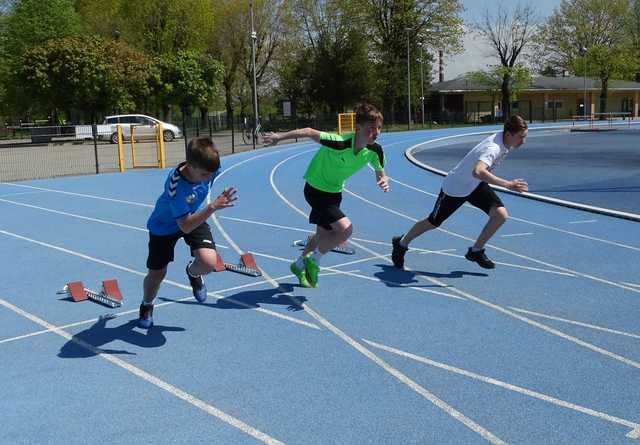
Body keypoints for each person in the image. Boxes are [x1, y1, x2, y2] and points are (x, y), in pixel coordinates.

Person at [263, 102, 389, 288]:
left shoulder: (375, 150)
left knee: (322, 235)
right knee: (346, 230)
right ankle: (314, 260)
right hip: (315, 189)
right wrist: (279, 137)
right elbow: (308, 131)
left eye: (379, 128)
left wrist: (383, 179)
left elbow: (380, 170)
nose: (376, 132)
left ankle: (299, 265)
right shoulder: (339, 142)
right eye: (371, 128)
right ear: (358, 127)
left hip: (334, 192)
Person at [391, 115, 529, 270]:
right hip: (455, 188)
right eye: (520, 137)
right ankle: (401, 243)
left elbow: (478, 175)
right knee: (432, 222)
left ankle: (476, 251)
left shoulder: (505, 140)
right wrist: (507, 184)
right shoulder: (493, 148)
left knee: (500, 215)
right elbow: (478, 171)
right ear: (509, 134)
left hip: (475, 186)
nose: (523, 142)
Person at [138, 136, 237, 329]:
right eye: (204, 175)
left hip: (194, 215)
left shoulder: (210, 167)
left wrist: (207, 207)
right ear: (190, 166)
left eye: (211, 174)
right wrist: (213, 207)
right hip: (166, 225)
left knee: (209, 262)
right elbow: (184, 226)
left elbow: (208, 174)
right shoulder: (176, 186)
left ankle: (193, 273)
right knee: (157, 273)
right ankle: (146, 304)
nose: (208, 178)